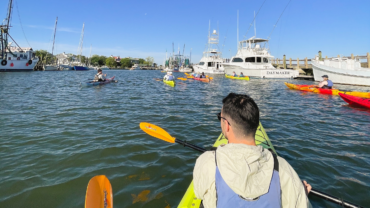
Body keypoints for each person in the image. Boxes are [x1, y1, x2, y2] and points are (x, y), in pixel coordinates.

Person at [193, 93, 312, 208]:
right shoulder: (283, 168)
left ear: (227, 125)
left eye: (220, 117)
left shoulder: (207, 162)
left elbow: (198, 193)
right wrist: (301, 193)